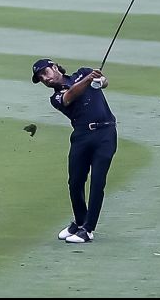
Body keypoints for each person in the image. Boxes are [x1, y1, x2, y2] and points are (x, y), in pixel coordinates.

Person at [31, 58, 117, 244]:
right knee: (75, 181)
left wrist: (98, 80)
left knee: (97, 181)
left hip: (105, 133)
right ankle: (79, 222)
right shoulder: (55, 97)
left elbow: (105, 82)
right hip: (81, 135)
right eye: (40, 78)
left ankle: (88, 229)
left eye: (45, 73)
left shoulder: (83, 72)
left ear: (55, 67)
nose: (44, 79)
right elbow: (70, 95)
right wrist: (88, 80)